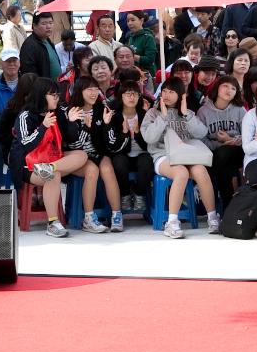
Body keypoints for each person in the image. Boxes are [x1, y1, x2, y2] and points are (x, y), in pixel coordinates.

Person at [140, 78, 218, 238]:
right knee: (181, 173)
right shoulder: (152, 113)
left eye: (172, 92)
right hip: (162, 156)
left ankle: (212, 217)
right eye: (164, 91)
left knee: (201, 170)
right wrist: (162, 117)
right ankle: (172, 222)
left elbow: (201, 133)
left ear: (181, 95)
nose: (167, 95)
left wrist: (186, 114)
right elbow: (149, 138)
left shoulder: (187, 114)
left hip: (187, 155)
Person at [10, 78, 86, 238]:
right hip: (28, 166)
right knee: (53, 175)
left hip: (52, 160)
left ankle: (50, 167)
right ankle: (53, 223)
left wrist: (71, 122)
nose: (57, 98)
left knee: (81, 155)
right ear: (41, 95)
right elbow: (24, 144)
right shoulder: (26, 116)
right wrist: (43, 127)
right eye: (53, 95)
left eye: (57, 95)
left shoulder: (57, 112)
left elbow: (71, 140)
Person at [64, 76, 124, 234]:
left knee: (107, 169)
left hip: (98, 152)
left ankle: (117, 215)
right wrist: (84, 127)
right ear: (80, 91)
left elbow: (108, 143)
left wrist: (105, 124)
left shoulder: (101, 109)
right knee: (92, 170)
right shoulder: (71, 111)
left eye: (95, 89)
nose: (93, 92)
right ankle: (89, 218)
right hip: (77, 155)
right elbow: (74, 145)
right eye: (89, 89)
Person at [199, 74, 246, 219]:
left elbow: (248, 136)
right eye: (225, 86)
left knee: (224, 154)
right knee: (226, 168)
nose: (229, 90)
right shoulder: (204, 112)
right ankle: (229, 209)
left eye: (233, 88)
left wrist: (231, 140)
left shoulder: (240, 110)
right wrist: (220, 143)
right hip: (215, 154)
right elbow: (200, 140)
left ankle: (217, 205)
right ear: (217, 88)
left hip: (237, 152)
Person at [106, 80, 153, 222]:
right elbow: (112, 145)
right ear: (121, 96)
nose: (131, 97)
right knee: (119, 162)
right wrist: (125, 134)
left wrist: (138, 133)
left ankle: (139, 193)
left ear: (139, 97)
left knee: (147, 162)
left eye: (135, 94)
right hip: (122, 153)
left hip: (141, 153)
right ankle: (125, 194)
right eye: (128, 94)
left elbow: (149, 145)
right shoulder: (114, 116)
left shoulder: (145, 114)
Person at [19, 13, 60, 80]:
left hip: (55, 87)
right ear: (34, 25)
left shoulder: (47, 40)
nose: (48, 26)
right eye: (44, 23)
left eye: (50, 22)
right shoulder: (30, 45)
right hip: (44, 88)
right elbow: (29, 74)